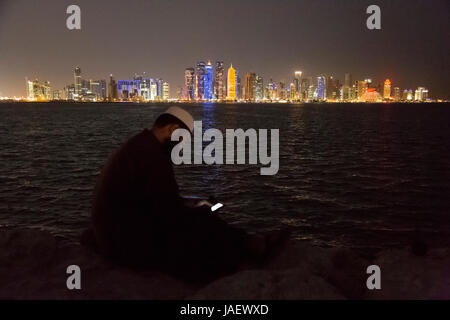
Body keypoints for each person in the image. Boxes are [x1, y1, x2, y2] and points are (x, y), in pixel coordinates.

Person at [90, 106, 288, 282]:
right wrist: (197, 212)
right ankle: (252, 247)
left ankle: (246, 245)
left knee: (199, 216)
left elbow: (153, 200)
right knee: (204, 222)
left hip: (112, 234)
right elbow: (168, 212)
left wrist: (187, 204)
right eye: (183, 139)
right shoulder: (153, 157)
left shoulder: (139, 145)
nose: (182, 146)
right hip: (125, 244)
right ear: (172, 130)